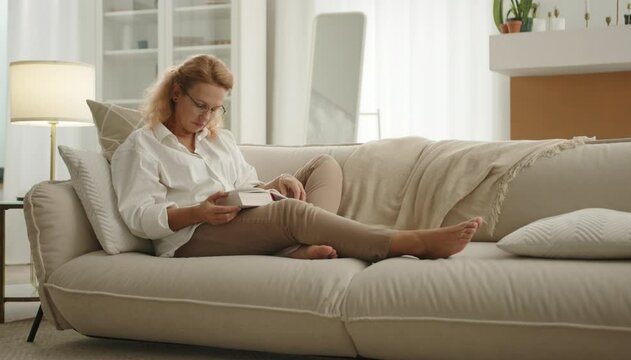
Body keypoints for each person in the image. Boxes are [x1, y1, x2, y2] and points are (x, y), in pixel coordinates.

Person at [111, 54, 482, 262]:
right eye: (201, 105)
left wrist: (271, 186)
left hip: (238, 218)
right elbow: (139, 217)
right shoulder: (141, 147)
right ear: (176, 93)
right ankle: (409, 243)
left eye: (217, 108)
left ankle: (299, 247)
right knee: (292, 213)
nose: (207, 117)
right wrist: (197, 212)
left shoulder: (216, 140)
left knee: (325, 165)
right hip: (192, 237)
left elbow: (243, 184)